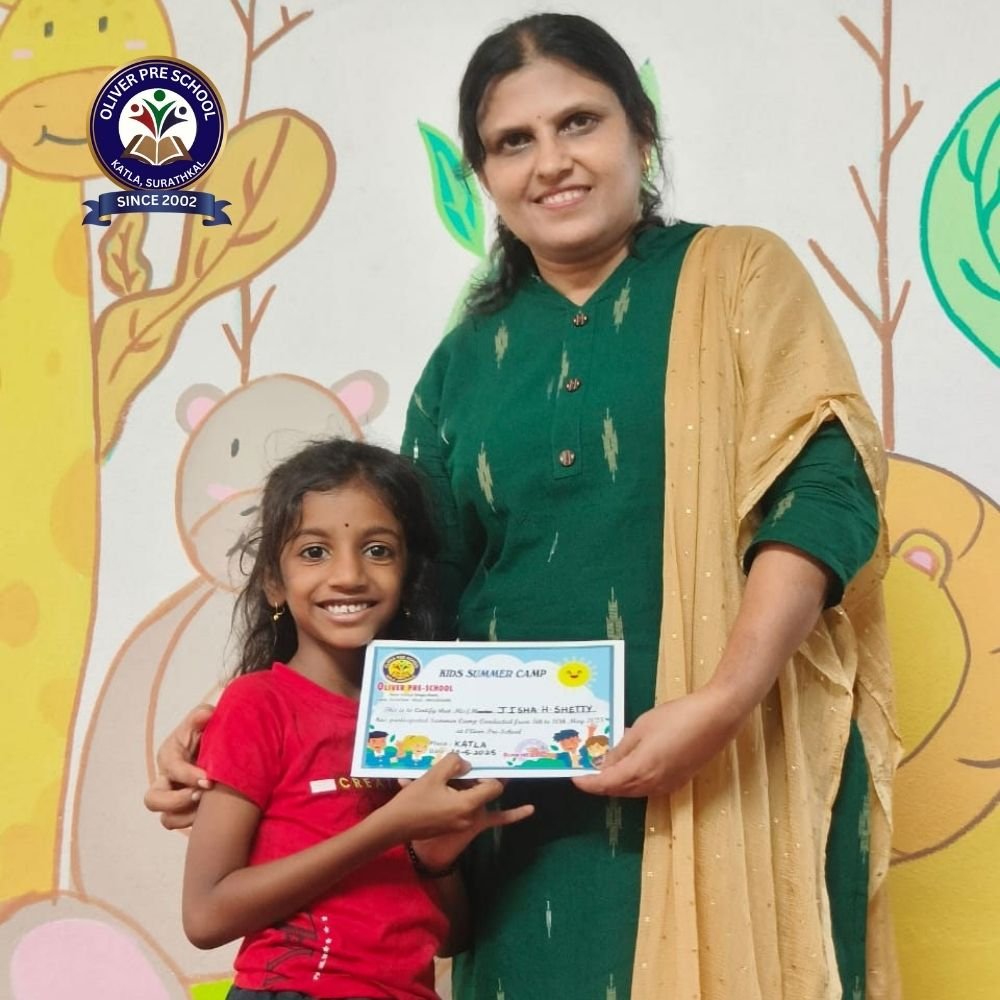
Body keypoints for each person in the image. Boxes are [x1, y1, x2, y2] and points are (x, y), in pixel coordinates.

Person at [148, 13, 898, 1000]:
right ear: (481, 173)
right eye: (514, 141)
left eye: (579, 123)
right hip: (515, 814)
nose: (552, 162)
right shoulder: (466, 359)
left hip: (721, 769)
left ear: (641, 132)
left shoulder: (740, 276)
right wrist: (233, 721)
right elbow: (410, 595)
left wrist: (717, 705)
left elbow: (823, 495)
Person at [180, 438, 533, 999]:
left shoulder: (425, 715)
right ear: (274, 579)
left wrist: (432, 860)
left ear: (410, 572)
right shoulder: (257, 704)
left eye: (378, 550)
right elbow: (206, 915)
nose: (348, 576)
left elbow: (454, 938)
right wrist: (389, 827)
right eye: (314, 552)